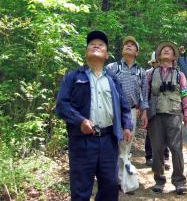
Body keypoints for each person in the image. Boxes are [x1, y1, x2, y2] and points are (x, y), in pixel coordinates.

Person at [56, 30, 132, 201]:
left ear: (106, 55)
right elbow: (62, 105)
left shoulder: (113, 80)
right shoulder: (74, 77)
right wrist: (80, 120)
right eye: (92, 44)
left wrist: (127, 126)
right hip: (81, 141)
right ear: (86, 53)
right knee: (81, 189)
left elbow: (124, 106)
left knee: (110, 186)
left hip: (108, 140)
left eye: (101, 44)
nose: (96, 45)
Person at [147, 42, 187, 195]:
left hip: (174, 114)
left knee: (176, 149)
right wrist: (143, 114)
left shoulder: (180, 75)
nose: (166, 50)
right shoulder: (151, 74)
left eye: (170, 50)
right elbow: (146, 95)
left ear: (174, 57)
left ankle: (179, 181)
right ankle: (159, 180)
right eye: (163, 50)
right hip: (155, 115)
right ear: (158, 56)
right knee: (157, 148)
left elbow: (184, 94)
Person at [106, 36, 149, 187]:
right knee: (110, 144)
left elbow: (144, 94)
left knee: (125, 145)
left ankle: (123, 181)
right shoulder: (112, 67)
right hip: (111, 111)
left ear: (137, 52)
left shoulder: (141, 72)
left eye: (132, 45)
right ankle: (110, 178)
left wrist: (144, 113)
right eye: (126, 44)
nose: (128, 46)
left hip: (130, 113)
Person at [144, 51, 170, 169]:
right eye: (156, 62)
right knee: (151, 133)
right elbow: (145, 92)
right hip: (151, 105)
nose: (158, 64)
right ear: (153, 63)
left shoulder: (169, 73)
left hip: (166, 105)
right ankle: (149, 156)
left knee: (165, 132)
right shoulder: (148, 74)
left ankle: (165, 157)